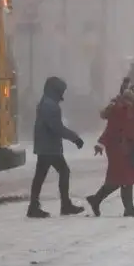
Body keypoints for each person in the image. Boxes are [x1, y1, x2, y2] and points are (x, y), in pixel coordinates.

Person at [87, 79, 134, 217]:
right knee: (123, 178)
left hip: (126, 149)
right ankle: (127, 208)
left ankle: (97, 200)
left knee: (121, 179)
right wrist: (100, 144)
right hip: (116, 150)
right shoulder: (118, 111)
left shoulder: (133, 114)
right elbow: (110, 130)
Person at [27, 76, 85, 218]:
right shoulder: (50, 106)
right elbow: (57, 128)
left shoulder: (46, 102)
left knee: (40, 175)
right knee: (63, 171)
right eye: (61, 91)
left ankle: (34, 206)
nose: (62, 94)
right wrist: (75, 138)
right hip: (49, 147)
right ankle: (64, 205)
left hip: (46, 145)